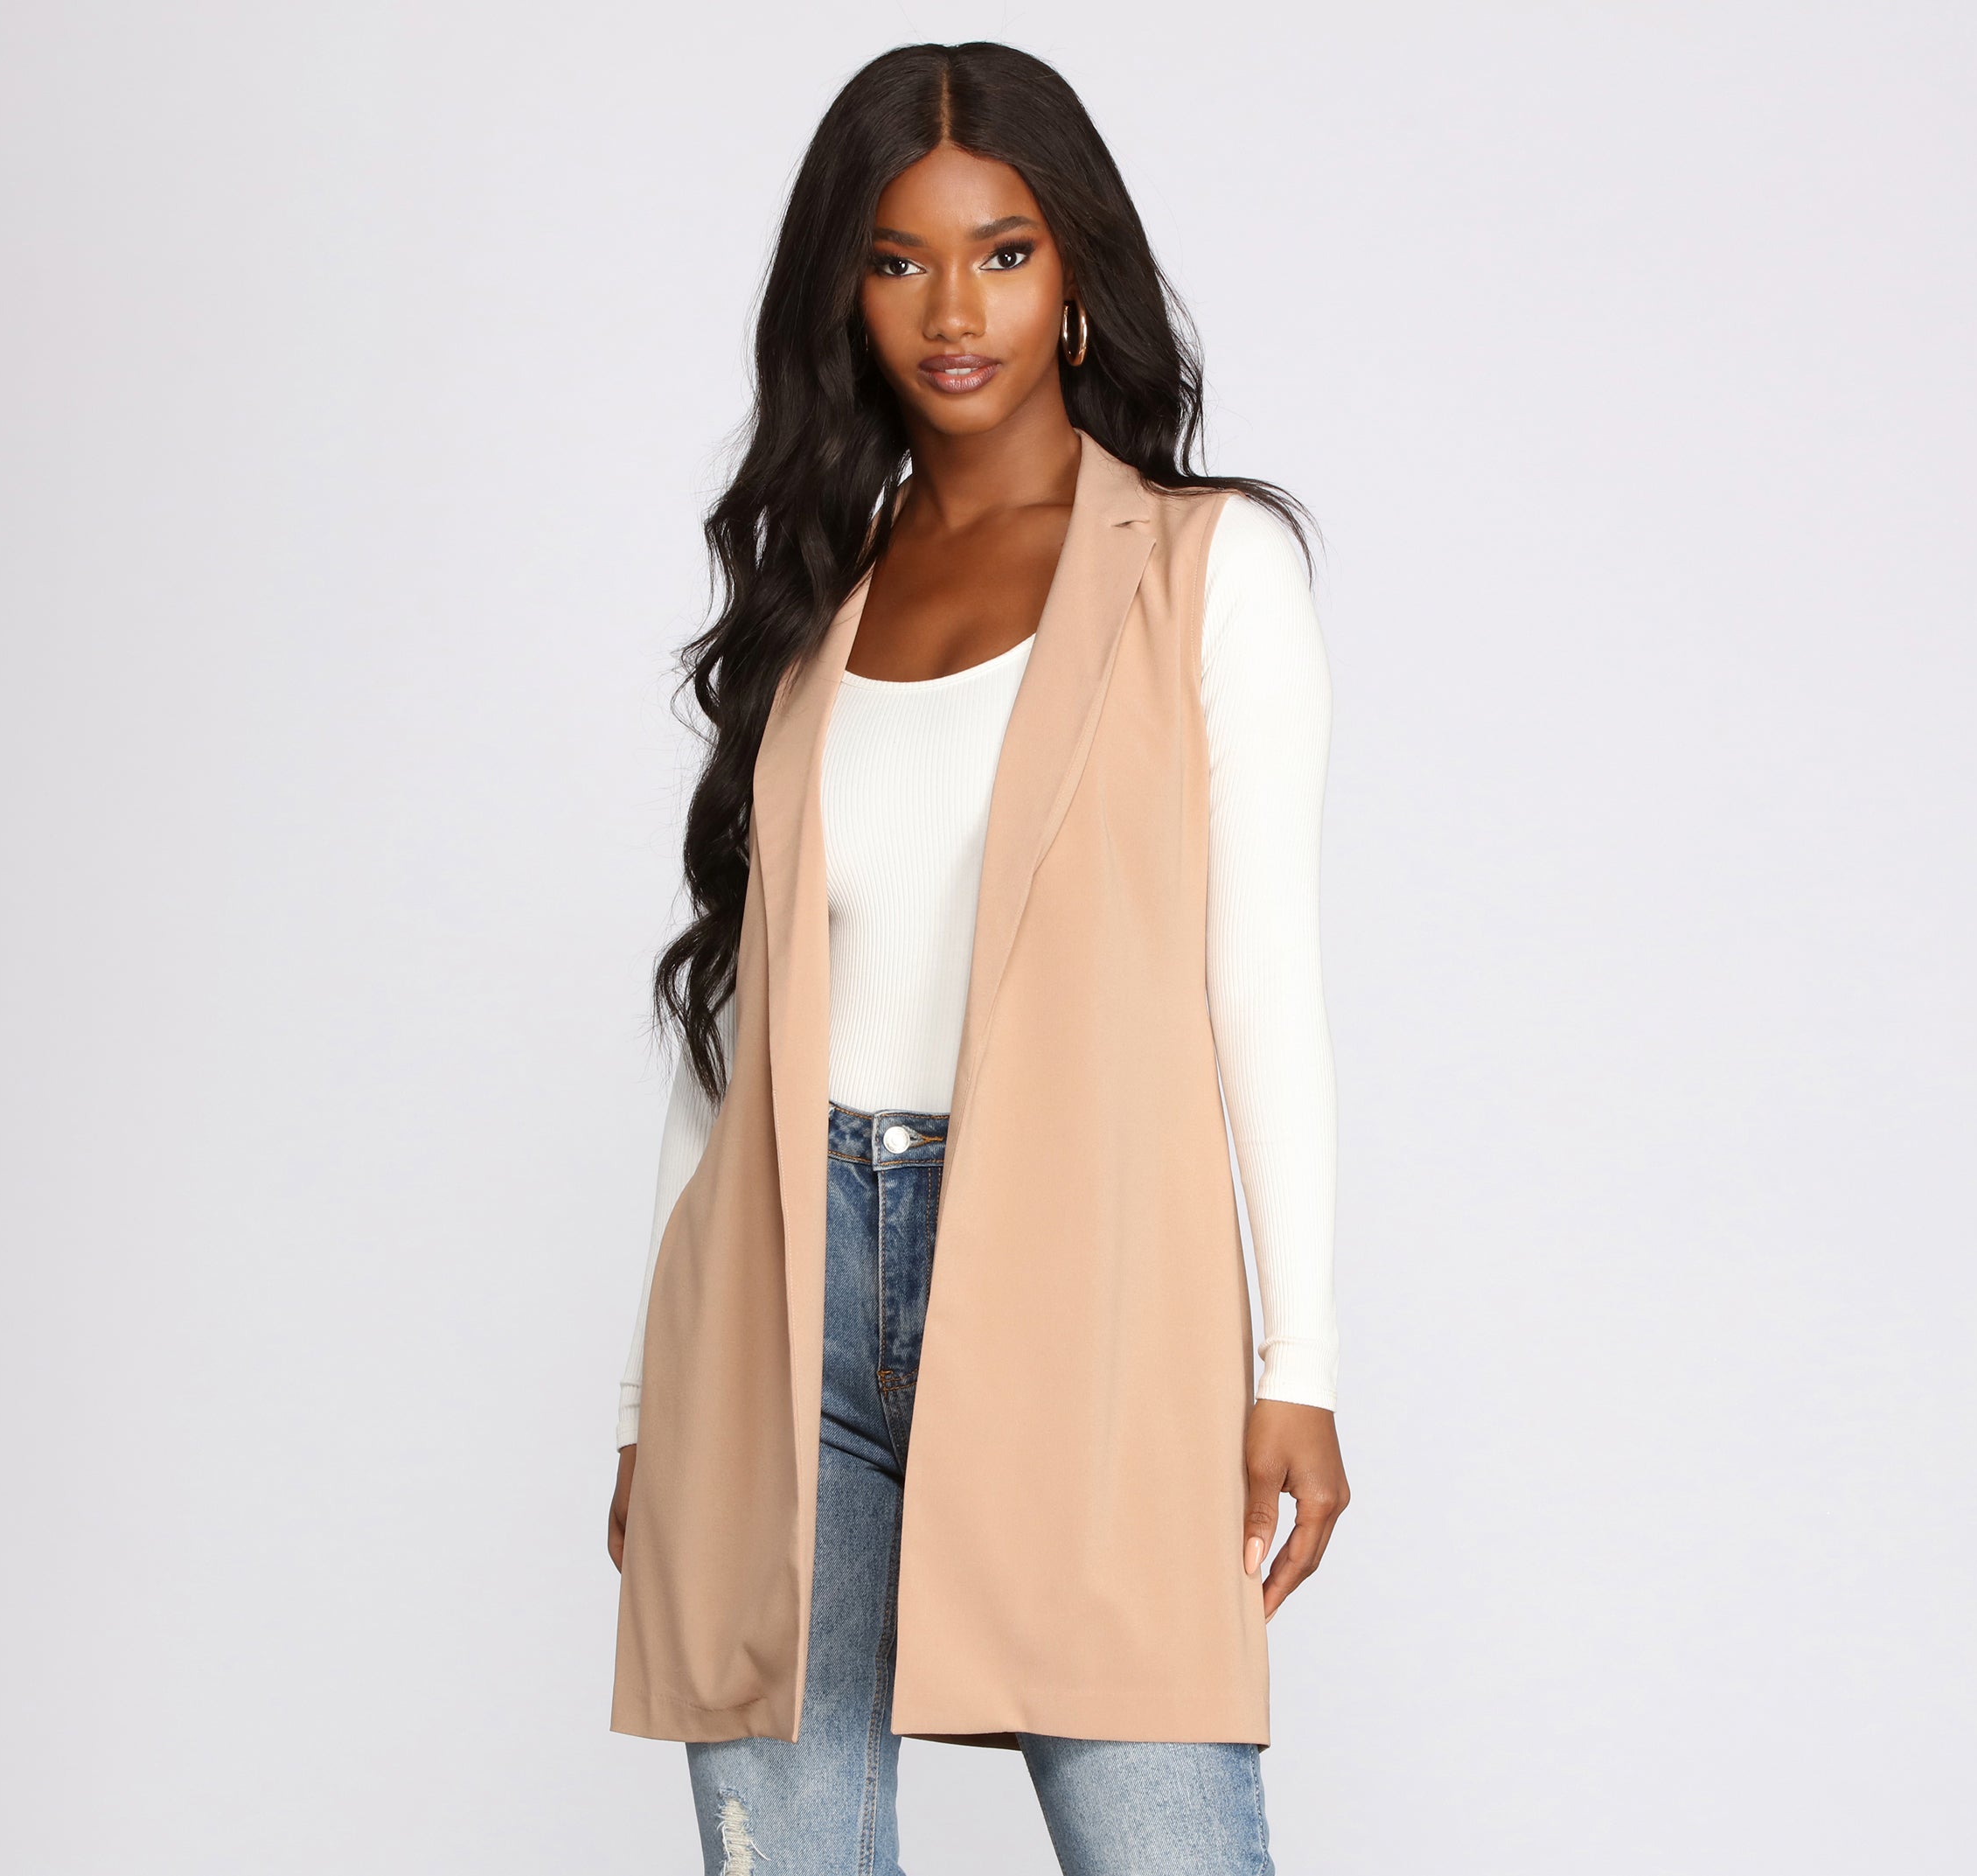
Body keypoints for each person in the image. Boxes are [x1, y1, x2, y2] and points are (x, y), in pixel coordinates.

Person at [606, 40, 1348, 1876]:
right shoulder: (818, 593)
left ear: (1075, 267)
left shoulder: (1205, 567)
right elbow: (736, 1019)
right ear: (843, 293)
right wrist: (644, 1397)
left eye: (1002, 253)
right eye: (900, 260)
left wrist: (1298, 1358)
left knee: (1166, 1837)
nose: (955, 311)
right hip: (783, 1291)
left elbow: (1261, 982)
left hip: (1080, 1277)